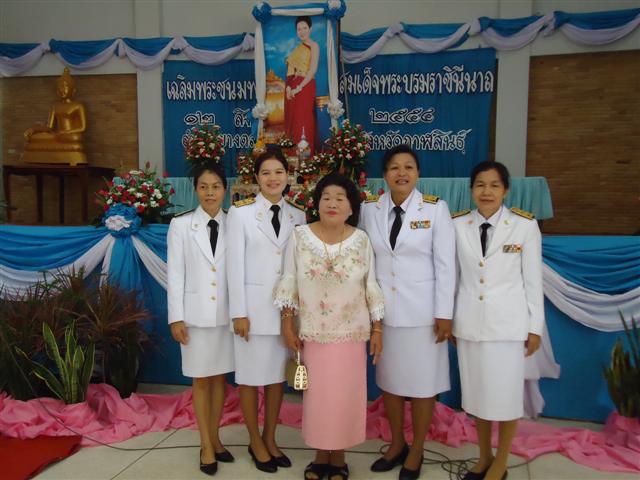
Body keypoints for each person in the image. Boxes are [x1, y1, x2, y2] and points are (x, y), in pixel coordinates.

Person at [275, 172, 384, 480]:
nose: (332, 203)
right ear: (317, 203)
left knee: (344, 396)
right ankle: (321, 455)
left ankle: (339, 458)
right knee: (320, 398)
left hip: (351, 335)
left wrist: (377, 328)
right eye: (326, 198)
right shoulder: (300, 237)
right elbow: (290, 280)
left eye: (340, 198)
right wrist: (287, 324)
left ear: (351, 208)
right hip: (313, 334)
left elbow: (371, 284)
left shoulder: (361, 240)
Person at [360, 145, 456, 480]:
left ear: (418, 173)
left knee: (423, 384)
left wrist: (444, 313)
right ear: (384, 175)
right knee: (390, 381)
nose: (401, 173)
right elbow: (365, 261)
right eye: (394, 167)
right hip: (384, 315)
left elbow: (446, 266)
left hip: (424, 315)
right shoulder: (370, 209)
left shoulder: (435, 209)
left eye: (409, 167)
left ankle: (417, 449)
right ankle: (397, 443)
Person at [452, 161, 543, 480]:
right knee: (477, 396)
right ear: (471, 189)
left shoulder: (524, 226)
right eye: (480, 184)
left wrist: (535, 328)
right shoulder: (457, 224)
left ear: (505, 190)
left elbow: (533, 282)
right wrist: (451, 320)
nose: (486, 191)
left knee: (505, 397)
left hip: (507, 327)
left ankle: (501, 462)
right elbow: (453, 277)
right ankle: (484, 457)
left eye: (494, 185)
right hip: (469, 325)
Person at [226, 149, 306, 474]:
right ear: (256, 178)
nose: (273, 178)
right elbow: (233, 266)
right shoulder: (241, 214)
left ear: (288, 176)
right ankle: (254, 441)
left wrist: (296, 316)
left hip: (284, 314)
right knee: (249, 380)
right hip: (252, 312)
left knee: (275, 380)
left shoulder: (298, 216)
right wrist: (238, 312)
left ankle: (270, 438)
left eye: (279, 172)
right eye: (266, 173)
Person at [167, 161, 235, 476]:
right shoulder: (181, 225)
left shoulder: (235, 222)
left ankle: (216, 438)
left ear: (225, 190)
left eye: (216, 187)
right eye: (204, 187)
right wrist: (176, 318)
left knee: (220, 379)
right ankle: (205, 444)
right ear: (195, 189)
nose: (210, 193)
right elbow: (175, 275)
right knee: (201, 380)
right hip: (194, 318)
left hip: (225, 316)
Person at [22, 67, 87, 165]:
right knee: (34, 138)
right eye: (59, 87)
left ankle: (72, 156)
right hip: (56, 135)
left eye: (64, 86)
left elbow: (82, 127)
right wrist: (34, 130)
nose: (62, 90)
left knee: (76, 138)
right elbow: (49, 127)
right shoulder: (55, 106)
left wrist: (66, 132)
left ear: (73, 90)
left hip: (70, 136)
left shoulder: (77, 105)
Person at [284, 15, 319, 155]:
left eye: (304, 28)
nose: (302, 31)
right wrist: (289, 87)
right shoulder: (297, 49)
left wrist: (300, 87)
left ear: (310, 29)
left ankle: (306, 157)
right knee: (295, 121)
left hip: (306, 85)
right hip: (293, 87)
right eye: (299, 29)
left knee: (304, 119)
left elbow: (313, 70)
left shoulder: (314, 46)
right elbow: (290, 70)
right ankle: (294, 158)